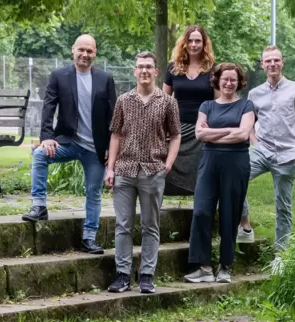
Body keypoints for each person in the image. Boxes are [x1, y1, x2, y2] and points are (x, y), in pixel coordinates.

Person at [21, 34, 117, 256]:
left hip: (95, 149)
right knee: (39, 154)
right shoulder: (59, 76)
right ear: (73, 50)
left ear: (95, 53)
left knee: (93, 192)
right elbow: (48, 107)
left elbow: (114, 119)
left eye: (89, 51)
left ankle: (89, 239)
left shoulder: (105, 79)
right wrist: (46, 136)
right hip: (68, 141)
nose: (85, 54)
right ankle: (39, 206)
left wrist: (112, 155)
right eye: (81, 50)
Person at [105, 51, 181, 294]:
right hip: (124, 170)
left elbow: (176, 134)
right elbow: (115, 134)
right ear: (134, 71)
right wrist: (110, 167)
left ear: (156, 71)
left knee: (150, 225)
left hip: (153, 170)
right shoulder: (123, 101)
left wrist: (168, 163)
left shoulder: (168, 102)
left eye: (149, 66)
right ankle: (123, 274)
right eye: (140, 66)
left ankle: (147, 275)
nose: (144, 70)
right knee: (123, 224)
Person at [236, 45, 295, 273]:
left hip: (288, 155)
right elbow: (249, 122)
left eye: (276, 60)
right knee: (234, 179)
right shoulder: (255, 93)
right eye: (268, 61)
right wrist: (254, 142)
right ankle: (245, 226)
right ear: (262, 64)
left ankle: (281, 255)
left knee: (283, 206)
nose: (272, 64)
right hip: (262, 151)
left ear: (282, 62)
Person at [184, 63, 255, 283]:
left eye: (233, 79)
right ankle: (203, 266)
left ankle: (225, 266)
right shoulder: (207, 105)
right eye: (225, 79)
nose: (229, 83)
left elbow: (244, 134)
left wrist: (212, 132)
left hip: (236, 163)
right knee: (201, 211)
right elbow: (199, 134)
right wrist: (228, 130)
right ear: (217, 80)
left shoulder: (247, 105)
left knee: (229, 214)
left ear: (239, 82)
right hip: (209, 162)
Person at [162, 25, 218, 196]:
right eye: (190, 40)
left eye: (198, 41)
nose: (194, 44)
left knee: (206, 171)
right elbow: (164, 101)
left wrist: (213, 128)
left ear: (204, 44)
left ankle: (204, 204)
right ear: (184, 43)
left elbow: (218, 102)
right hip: (178, 128)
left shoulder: (213, 69)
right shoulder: (173, 67)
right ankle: (154, 204)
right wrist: (164, 127)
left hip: (203, 128)